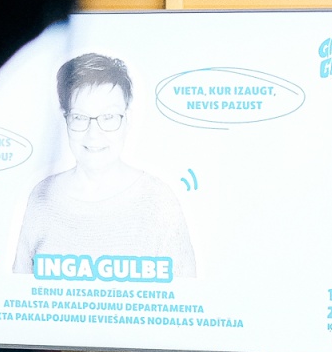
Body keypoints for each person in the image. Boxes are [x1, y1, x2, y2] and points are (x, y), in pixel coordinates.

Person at [12, 52, 197, 279]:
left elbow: (186, 294)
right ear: (66, 120)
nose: (94, 134)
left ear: (127, 120)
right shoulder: (41, 196)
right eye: (80, 117)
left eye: (108, 117)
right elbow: (18, 291)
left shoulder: (159, 200)